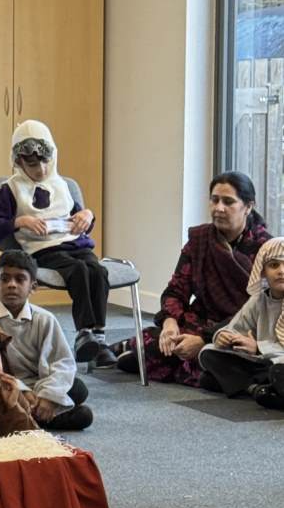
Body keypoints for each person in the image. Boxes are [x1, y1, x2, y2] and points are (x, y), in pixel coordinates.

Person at [116, 172, 271, 385]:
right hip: (199, 322)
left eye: (228, 202)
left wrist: (203, 339)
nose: (219, 208)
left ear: (248, 206)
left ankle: (144, 357)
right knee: (159, 340)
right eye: (214, 200)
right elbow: (175, 290)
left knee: (227, 355)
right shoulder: (200, 239)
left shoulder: (266, 249)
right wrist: (170, 324)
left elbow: (261, 309)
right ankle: (176, 362)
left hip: (239, 329)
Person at [0, 120, 113, 367]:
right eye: (33, 164)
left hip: (75, 244)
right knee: (79, 271)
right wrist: (20, 221)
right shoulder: (10, 189)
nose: (41, 169)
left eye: (45, 162)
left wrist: (88, 215)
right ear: (19, 161)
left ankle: (99, 336)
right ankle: (84, 332)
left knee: (97, 270)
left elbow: (80, 218)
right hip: (42, 249)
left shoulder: (62, 185)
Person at [0, 249, 93, 432]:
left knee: (79, 389)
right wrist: (20, 390)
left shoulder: (45, 319)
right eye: (4, 279)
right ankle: (35, 418)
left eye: (20, 279)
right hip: (1, 385)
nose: (11, 285)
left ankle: (32, 415)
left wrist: (48, 396)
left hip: (37, 386)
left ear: (33, 287)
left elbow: (62, 362)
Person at [198, 238, 284, 407]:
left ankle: (257, 387)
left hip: (279, 364)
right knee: (209, 354)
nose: (281, 271)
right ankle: (258, 388)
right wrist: (224, 337)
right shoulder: (259, 300)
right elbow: (236, 327)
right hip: (264, 363)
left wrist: (258, 348)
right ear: (263, 271)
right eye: (274, 265)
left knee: (278, 371)